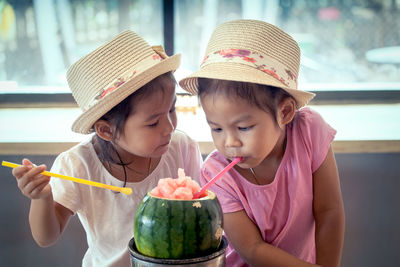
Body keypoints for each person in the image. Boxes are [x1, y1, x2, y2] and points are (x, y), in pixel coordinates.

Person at [11, 30, 203, 266]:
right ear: (106, 130)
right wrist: (41, 198)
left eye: (172, 109)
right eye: (153, 122)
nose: (169, 127)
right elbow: (46, 237)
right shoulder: (78, 165)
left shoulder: (181, 147)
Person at [179, 19, 345, 267]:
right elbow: (253, 250)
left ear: (285, 113)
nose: (230, 142)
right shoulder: (215, 173)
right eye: (216, 128)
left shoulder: (310, 131)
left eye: (244, 127)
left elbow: (329, 211)